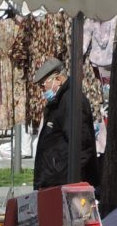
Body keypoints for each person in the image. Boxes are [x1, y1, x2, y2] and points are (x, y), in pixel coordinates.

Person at [31, 58, 100, 191]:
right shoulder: (58, 101)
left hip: (63, 182)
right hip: (54, 181)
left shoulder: (71, 102)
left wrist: (68, 181)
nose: (42, 90)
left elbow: (82, 146)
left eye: (43, 85)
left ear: (58, 79)